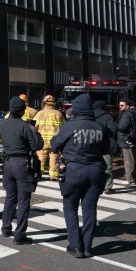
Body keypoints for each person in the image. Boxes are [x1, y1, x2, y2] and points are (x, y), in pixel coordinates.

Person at [51, 94, 109, 258]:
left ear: (75, 108)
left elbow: (54, 146)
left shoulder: (69, 126)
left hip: (74, 170)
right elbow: (107, 150)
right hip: (96, 170)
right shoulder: (99, 127)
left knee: (70, 208)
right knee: (90, 209)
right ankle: (88, 247)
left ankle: (76, 246)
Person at [0, 96, 44, 245]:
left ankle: (5, 228)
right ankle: (20, 235)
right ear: (23, 111)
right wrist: (34, 130)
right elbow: (38, 145)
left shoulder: (2, 124)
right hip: (22, 164)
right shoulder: (25, 126)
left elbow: (0, 137)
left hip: (7, 164)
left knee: (10, 197)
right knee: (23, 200)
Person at [33, 95, 64, 180]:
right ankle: (53, 176)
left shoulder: (39, 113)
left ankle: (39, 174)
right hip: (55, 141)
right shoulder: (58, 114)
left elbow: (34, 127)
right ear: (54, 104)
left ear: (44, 103)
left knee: (41, 158)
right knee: (54, 158)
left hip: (42, 141)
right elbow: (64, 127)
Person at [93, 100, 118, 194]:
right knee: (107, 167)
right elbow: (114, 129)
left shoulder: (90, 117)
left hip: (92, 146)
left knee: (94, 166)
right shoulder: (107, 117)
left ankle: (95, 185)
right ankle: (108, 187)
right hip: (105, 145)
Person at [116, 98, 136, 185]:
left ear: (127, 106)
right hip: (130, 138)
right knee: (131, 159)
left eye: (122, 105)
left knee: (128, 160)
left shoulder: (127, 114)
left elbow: (122, 127)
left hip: (126, 139)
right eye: (119, 105)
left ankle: (130, 179)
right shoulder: (132, 113)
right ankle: (133, 179)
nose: (120, 107)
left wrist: (116, 125)